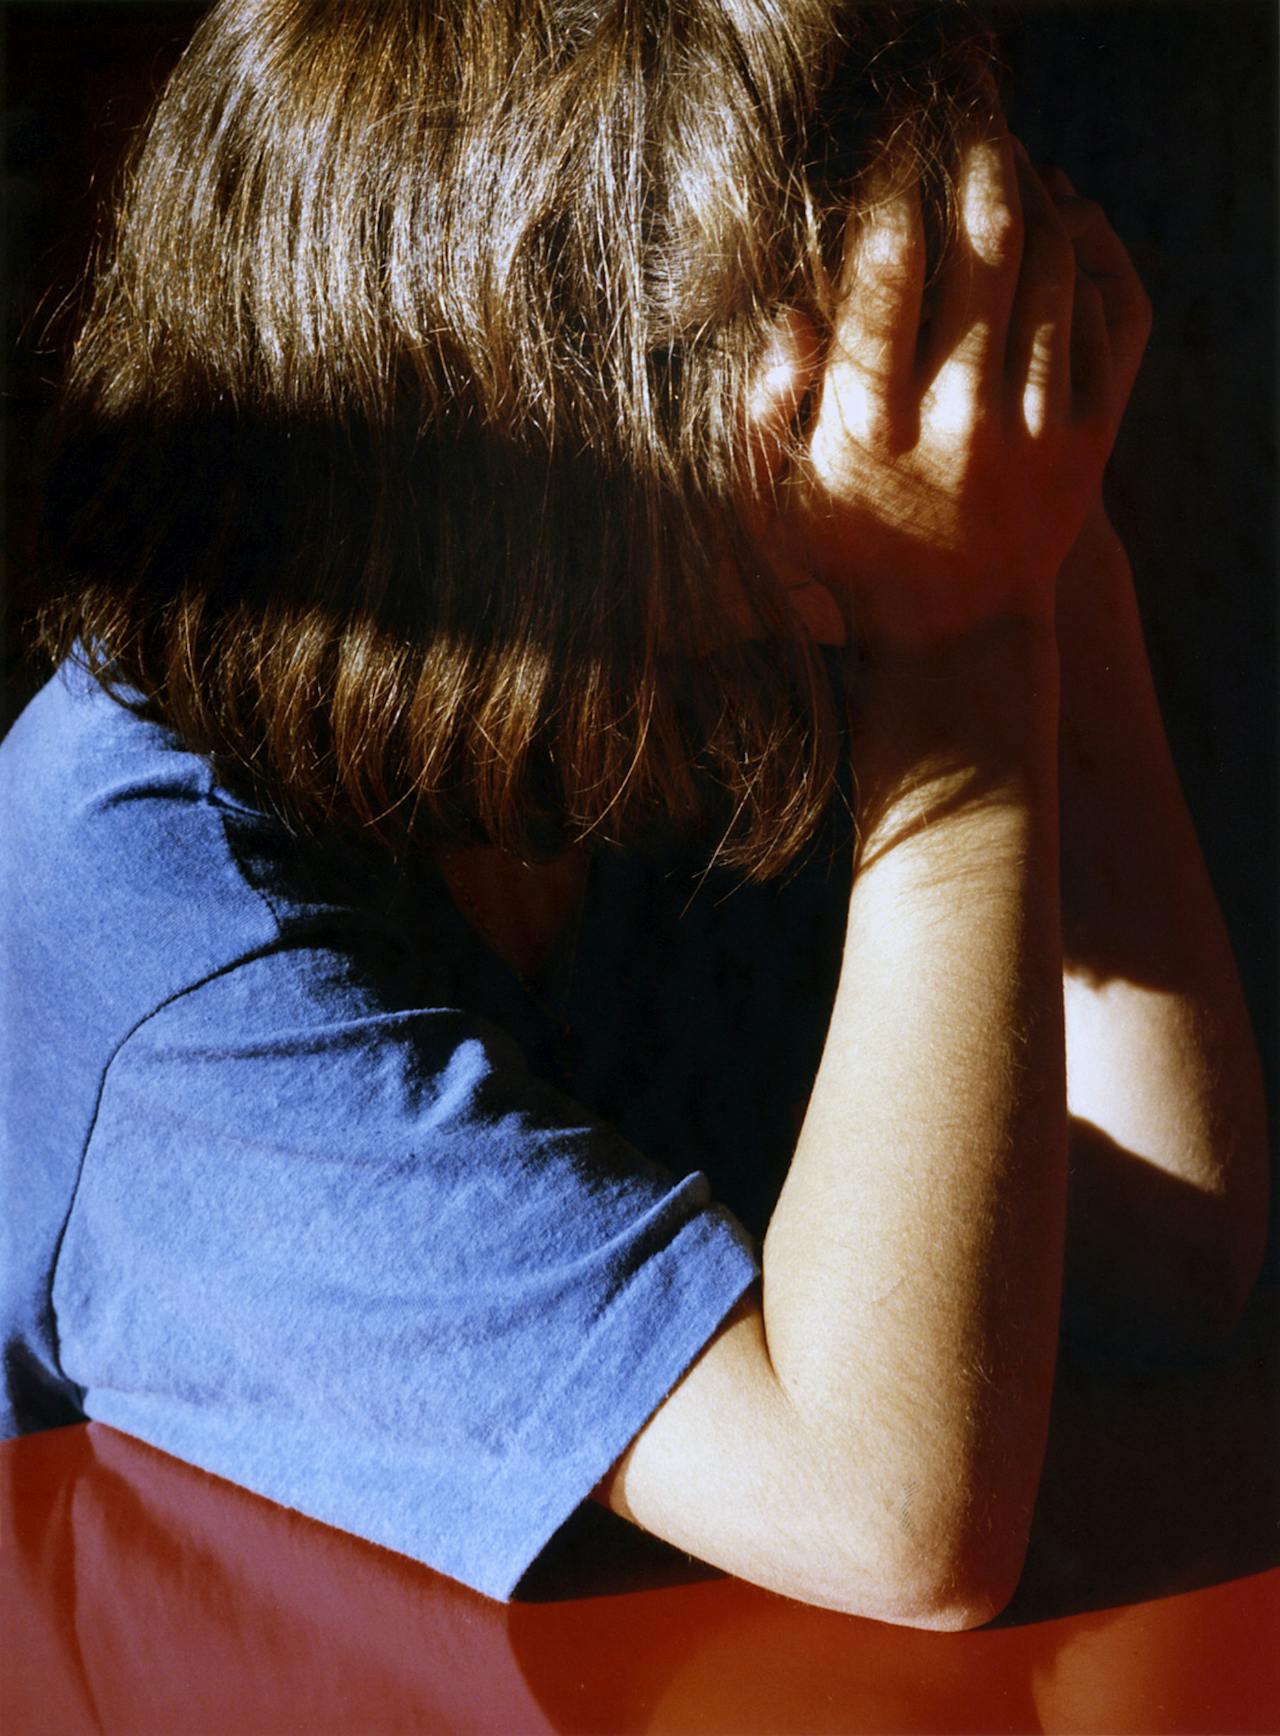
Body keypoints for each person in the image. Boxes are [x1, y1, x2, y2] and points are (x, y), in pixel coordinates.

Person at [1, 0, 1268, 1627]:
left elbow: (1160, 1263)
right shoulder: (154, 937)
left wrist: (1054, 547)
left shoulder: (674, 680)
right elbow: (888, 1519)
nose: (900, 396)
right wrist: (970, 643)